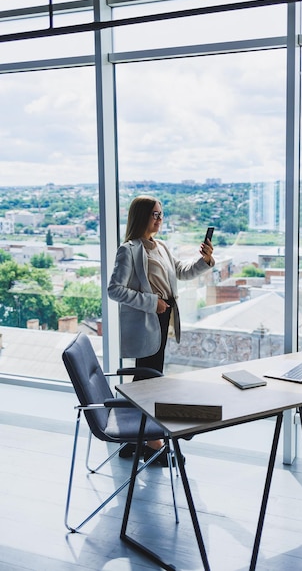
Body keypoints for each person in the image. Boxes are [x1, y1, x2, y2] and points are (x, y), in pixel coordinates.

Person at [108, 195, 214, 463]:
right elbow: (115, 290)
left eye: (161, 214)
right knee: (149, 380)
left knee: (148, 378)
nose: (159, 219)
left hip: (164, 317)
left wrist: (204, 260)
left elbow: (182, 272)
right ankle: (150, 441)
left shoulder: (162, 247)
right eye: (155, 214)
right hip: (148, 319)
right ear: (141, 216)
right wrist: (150, 302)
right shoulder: (129, 250)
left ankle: (136, 439)